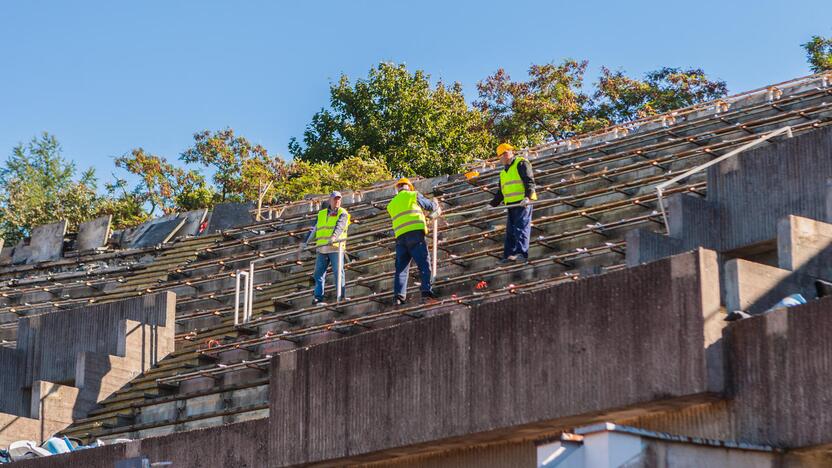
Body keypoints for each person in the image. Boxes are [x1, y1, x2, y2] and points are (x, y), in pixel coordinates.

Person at [386, 177, 441, 305]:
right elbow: (430, 206)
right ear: (409, 187)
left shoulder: (391, 204)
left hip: (400, 238)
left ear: (398, 188)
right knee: (424, 264)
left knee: (401, 269)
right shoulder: (413, 195)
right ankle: (426, 291)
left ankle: (398, 297)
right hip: (415, 235)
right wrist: (436, 203)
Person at [299, 191, 350, 305]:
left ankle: (341, 296)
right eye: (335, 199)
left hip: (336, 248)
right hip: (322, 249)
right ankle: (318, 297)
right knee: (318, 274)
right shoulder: (321, 214)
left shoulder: (343, 213)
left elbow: (340, 226)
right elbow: (313, 229)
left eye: (339, 199)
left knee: (338, 272)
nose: (337, 201)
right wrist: (305, 242)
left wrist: (333, 237)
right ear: (330, 200)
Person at [489, 143, 537, 263]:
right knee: (510, 232)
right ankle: (509, 256)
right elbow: (501, 192)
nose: (502, 158)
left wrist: (528, 197)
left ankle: (522, 254)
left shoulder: (521, 163)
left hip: (523, 203)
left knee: (521, 228)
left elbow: (529, 181)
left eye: (503, 154)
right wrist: (491, 204)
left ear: (508, 153)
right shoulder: (503, 172)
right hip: (511, 204)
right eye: (500, 156)